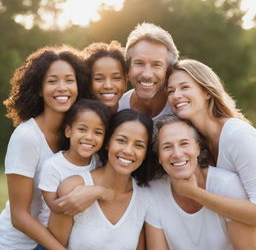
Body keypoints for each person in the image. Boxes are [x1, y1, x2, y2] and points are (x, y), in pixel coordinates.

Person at [0, 45, 88, 250]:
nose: (62, 88)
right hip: (18, 245)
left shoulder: (76, 134)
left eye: (69, 80)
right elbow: (19, 216)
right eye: (52, 81)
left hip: (53, 240)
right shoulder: (27, 137)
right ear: (39, 89)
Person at [46, 109, 154, 250]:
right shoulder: (73, 188)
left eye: (139, 145)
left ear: (145, 153)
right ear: (107, 143)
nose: (128, 150)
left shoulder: (144, 198)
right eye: (121, 141)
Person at [145, 114, 256, 250]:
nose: (177, 153)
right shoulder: (154, 193)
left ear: (197, 147)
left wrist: (194, 192)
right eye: (167, 147)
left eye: (184, 143)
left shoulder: (227, 185)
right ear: (159, 157)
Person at [167, 58, 256, 225]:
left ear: (207, 92)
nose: (176, 95)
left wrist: (194, 193)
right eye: (170, 91)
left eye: (184, 87)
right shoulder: (196, 144)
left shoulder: (238, 135)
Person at [37, 98, 113, 230]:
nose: (89, 137)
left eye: (98, 132)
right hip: (51, 235)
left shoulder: (98, 161)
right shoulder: (53, 166)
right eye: (82, 129)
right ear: (68, 131)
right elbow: (54, 206)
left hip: (81, 231)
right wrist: (93, 193)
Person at [118, 22, 179, 120]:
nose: (147, 75)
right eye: (139, 63)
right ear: (128, 67)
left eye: (157, 65)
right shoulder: (117, 109)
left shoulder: (180, 110)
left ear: (169, 70)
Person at [83, 41, 127, 112]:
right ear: (89, 83)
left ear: (125, 81)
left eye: (116, 78)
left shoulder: (130, 111)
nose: (108, 86)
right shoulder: (81, 116)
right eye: (99, 79)